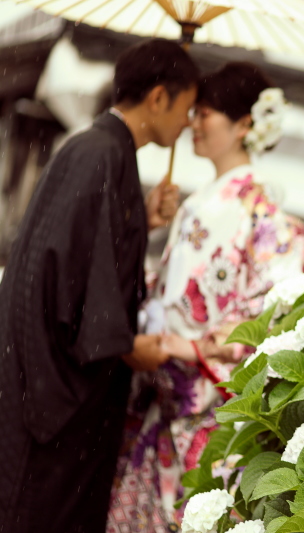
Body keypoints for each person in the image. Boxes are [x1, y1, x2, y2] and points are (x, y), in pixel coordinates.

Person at [106, 62, 304, 531]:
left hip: (207, 405)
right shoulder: (199, 204)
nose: (194, 123)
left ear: (244, 124)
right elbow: (168, 293)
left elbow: (276, 314)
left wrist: (194, 347)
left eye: (207, 114)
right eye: (194, 112)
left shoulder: (269, 219)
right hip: (161, 393)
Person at [0, 39, 199, 533]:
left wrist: (142, 220)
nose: (189, 123)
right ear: (158, 98)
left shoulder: (98, 148)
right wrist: (128, 345)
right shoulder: (102, 155)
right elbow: (72, 273)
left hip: (41, 381)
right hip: (54, 394)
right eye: (187, 107)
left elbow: (86, 250)